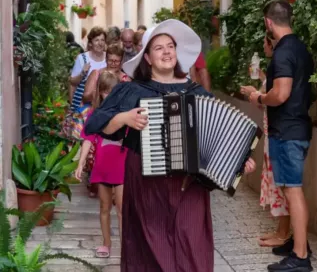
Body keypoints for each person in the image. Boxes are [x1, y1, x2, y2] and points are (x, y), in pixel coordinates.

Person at [84, 19, 256, 271]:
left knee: (192, 246)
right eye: (158, 48)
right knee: (150, 249)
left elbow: (220, 138)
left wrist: (239, 162)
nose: (166, 52)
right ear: (148, 59)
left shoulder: (197, 93)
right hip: (146, 183)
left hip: (189, 185)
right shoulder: (131, 91)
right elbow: (95, 124)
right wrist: (124, 118)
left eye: (170, 46)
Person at [249, 0, 314, 272]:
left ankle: (300, 258)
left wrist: (259, 97)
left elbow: (281, 93)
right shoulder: (300, 48)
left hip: (286, 131)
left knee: (293, 190)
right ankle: (298, 244)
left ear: (268, 22)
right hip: (296, 127)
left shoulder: (283, 52)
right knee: (291, 190)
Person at [241, 34, 290, 248]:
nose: (263, 46)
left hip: (280, 131)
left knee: (282, 184)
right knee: (276, 182)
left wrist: (256, 94)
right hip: (273, 130)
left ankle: (284, 233)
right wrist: (258, 87)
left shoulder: (281, 64)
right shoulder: (274, 67)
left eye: (264, 42)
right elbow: (267, 97)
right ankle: (281, 230)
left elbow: (272, 97)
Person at [75, 71, 127, 259]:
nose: (109, 95)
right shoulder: (95, 115)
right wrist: (80, 164)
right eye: (105, 91)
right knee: (104, 207)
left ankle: (125, 247)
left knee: (122, 209)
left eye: (112, 91)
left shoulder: (124, 115)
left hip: (122, 167)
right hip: (103, 167)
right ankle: (106, 243)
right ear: (100, 93)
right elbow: (87, 140)